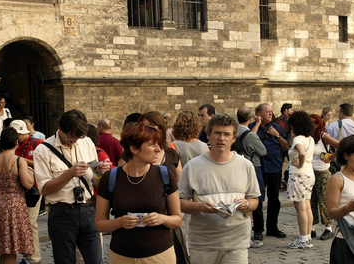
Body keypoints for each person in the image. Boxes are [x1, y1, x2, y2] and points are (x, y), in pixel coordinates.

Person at [179, 113, 260, 264]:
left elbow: (254, 200)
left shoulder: (245, 165)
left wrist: (246, 205)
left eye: (226, 134)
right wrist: (200, 206)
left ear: (234, 138)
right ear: (208, 135)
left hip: (236, 242)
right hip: (203, 243)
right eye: (217, 133)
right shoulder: (193, 166)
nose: (221, 138)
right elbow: (180, 202)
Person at [96, 123, 182, 264]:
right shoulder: (110, 178)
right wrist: (120, 222)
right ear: (134, 148)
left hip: (160, 255)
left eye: (158, 144)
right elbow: (99, 223)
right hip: (121, 255)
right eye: (151, 144)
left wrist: (161, 219)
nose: (158, 149)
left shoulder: (165, 175)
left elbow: (177, 219)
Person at [34, 109, 111, 264]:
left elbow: (95, 179)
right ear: (60, 128)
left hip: (88, 210)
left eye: (78, 137)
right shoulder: (42, 151)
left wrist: (101, 172)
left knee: (96, 261)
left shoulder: (87, 142)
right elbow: (45, 189)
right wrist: (69, 173)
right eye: (70, 136)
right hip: (62, 214)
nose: (74, 141)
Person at [0, 127, 36, 264]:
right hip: (14, 204)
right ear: (16, 142)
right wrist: (31, 173)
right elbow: (27, 184)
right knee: (11, 246)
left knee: (5, 247)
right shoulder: (18, 161)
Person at [326, 135, 354, 264]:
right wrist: (348, 208)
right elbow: (331, 212)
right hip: (346, 238)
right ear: (346, 156)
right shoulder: (338, 179)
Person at [251, 103, 289, 243]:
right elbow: (250, 139)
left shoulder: (276, 127)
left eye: (271, 112)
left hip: (274, 166)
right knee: (258, 199)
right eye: (267, 112)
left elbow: (286, 145)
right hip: (258, 167)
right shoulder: (251, 127)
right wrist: (256, 124)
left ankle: (272, 227)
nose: (270, 114)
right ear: (259, 114)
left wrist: (277, 135)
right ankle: (258, 229)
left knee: (274, 199)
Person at [12, 119, 43, 264]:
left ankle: (34, 258)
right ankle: (27, 254)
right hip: (19, 189)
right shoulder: (14, 146)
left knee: (31, 223)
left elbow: (42, 164)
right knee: (22, 224)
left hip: (34, 189)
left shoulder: (37, 144)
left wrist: (22, 161)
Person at [234, 106, 266, 248]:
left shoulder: (233, 132)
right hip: (253, 166)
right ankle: (257, 232)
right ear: (250, 119)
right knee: (256, 199)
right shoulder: (251, 135)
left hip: (236, 167)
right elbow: (263, 151)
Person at [286, 111, 316, 250]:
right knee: (307, 207)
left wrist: (300, 164)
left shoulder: (298, 139)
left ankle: (303, 238)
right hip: (309, 174)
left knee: (300, 209)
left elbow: (302, 153)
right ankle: (308, 237)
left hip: (299, 174)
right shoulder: (310, 138)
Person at [310, 114, 339, 241]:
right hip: (310, 171)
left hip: (322, 171)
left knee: (323, 200)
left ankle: (328, 228)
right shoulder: (307, 137)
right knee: (312, 200)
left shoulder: (323, 136)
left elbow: (341, 145)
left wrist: (330, 157)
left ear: (317, 124)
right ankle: (312, 227)